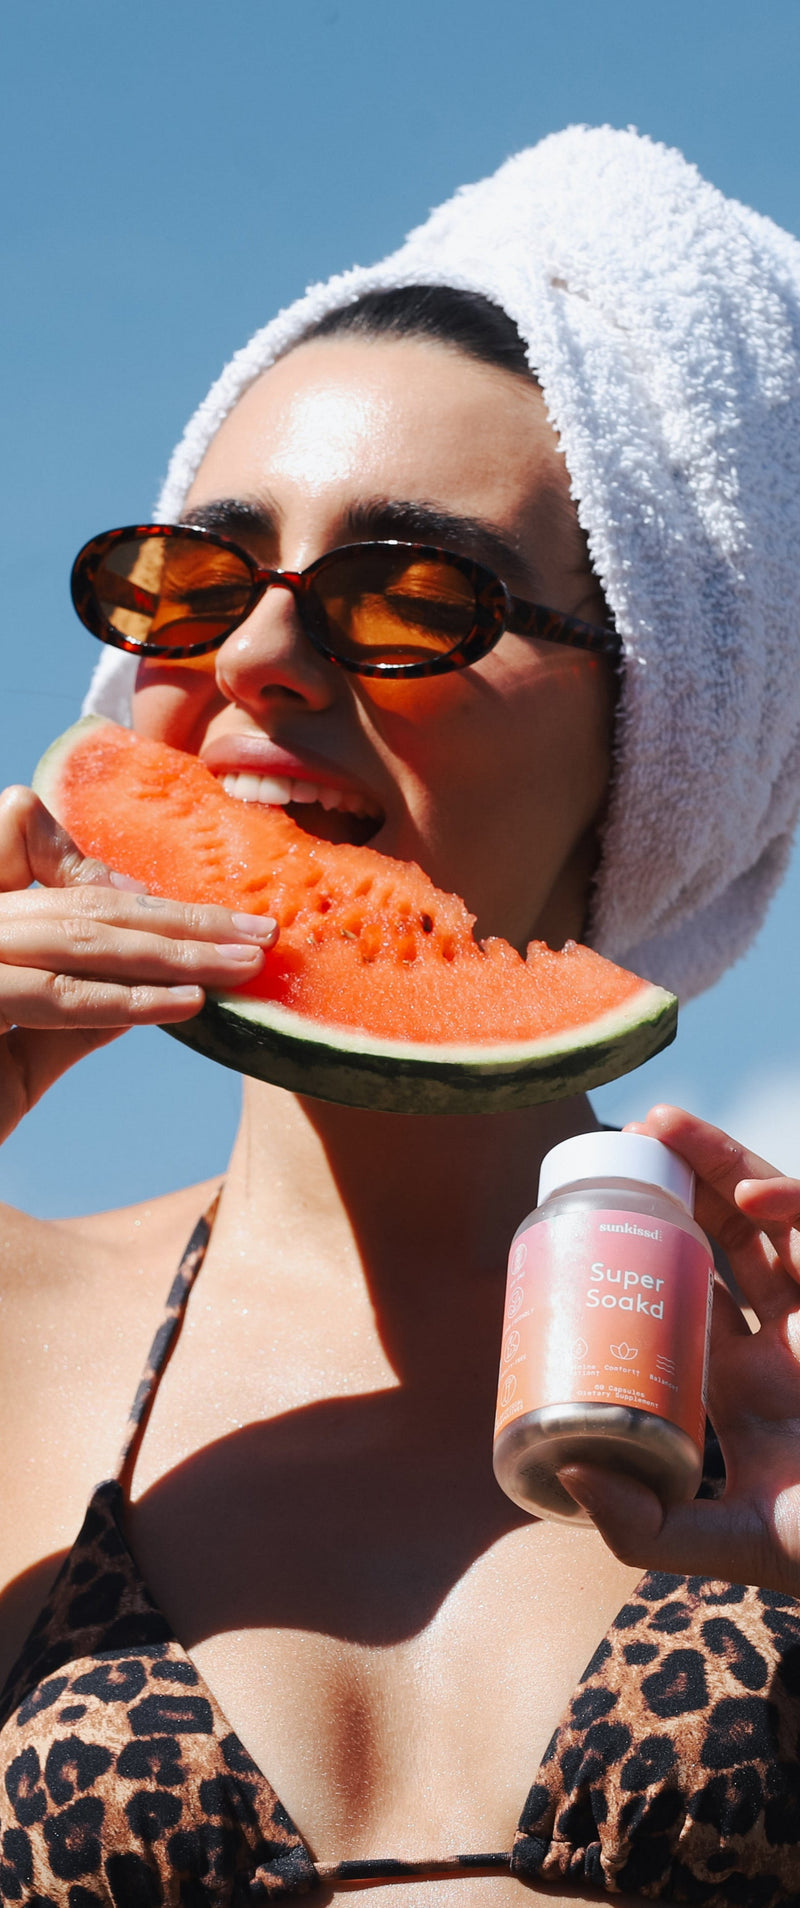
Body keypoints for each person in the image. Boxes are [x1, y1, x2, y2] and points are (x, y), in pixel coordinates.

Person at [0, 125, 799, 1907]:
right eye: (196, 579)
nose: (262, 660)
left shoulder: (782, 1367)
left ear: (661, 734)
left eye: (416, 597)